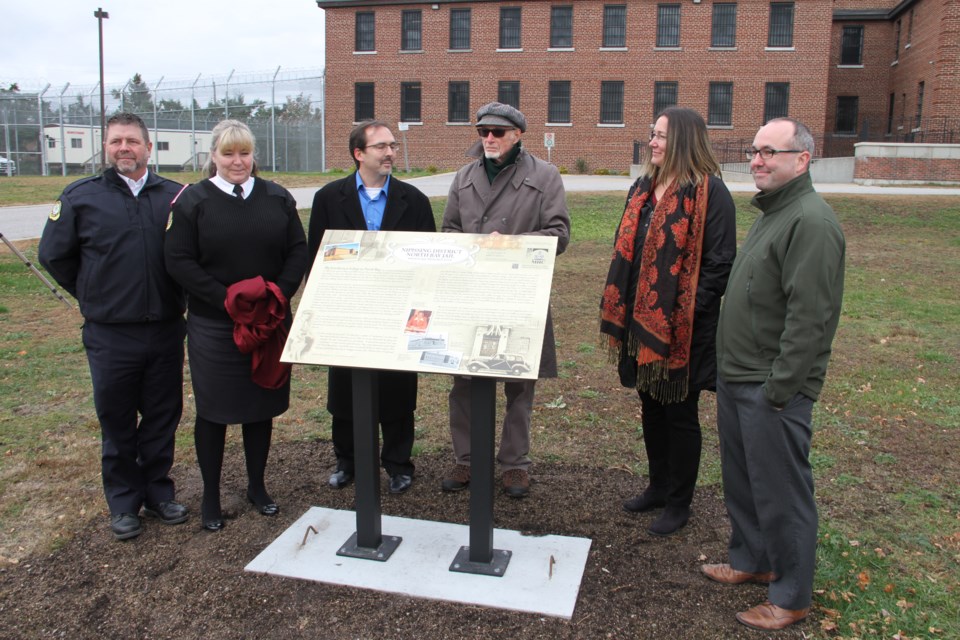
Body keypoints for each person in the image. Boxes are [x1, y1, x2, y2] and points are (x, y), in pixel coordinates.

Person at [703, 117, 845, 631]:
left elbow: (810, 319)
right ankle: (752, 559)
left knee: (782, 492)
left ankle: (790, 596)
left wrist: (780, 389)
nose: (757, 160)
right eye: (755, 151)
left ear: (802, 160)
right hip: (738, 378)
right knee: (745, 482)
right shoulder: (774, 212)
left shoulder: (811, 221)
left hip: (771, 389)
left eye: (771, 152)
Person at [38, 112, 188, 541]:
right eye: (116, 141)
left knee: (162, 416)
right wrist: (92, 293)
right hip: (109, 333)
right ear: (106, 147)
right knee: (117, 418)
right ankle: (124, 503)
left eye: (132, 141)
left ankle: (159, 493)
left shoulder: (175, 197)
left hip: (163, 328)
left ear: (147, 145)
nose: (124, 148)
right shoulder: (80, 197)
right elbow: (55, 256)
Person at [164, 119, 308, 532]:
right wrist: (227, 300)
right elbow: (179, 261)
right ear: (213, 156)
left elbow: (296, 250)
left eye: (244, 153)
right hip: (216, 326)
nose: (237, 161)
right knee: (214, 411)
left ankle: (257, 486)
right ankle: (210, 495)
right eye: (228, 154)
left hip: (268, 323)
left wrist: (276, 295)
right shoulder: (193, 202)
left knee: (259, 407)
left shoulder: (277, 198)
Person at [600, 107, 736, 536]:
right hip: (641, 328)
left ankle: (680, 502)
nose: (653, 143)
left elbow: (719, 263)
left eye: (660, 136)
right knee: (651, 406)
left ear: (682, 142)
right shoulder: (643, 188)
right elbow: (629, 250)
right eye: (652, 134)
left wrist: (682, 314)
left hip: (684, 331)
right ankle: (657, 486)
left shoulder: (711, 194)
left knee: (680, 413)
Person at [441, 102, 571, 498]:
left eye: (497, 132)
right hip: (472, 293)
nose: (489, 139)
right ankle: (466, 460)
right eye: (483, 132)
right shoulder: (463, 177)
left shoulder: (545, 176)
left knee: (519, 385)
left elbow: (559, 234)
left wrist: (512, 245)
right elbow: (448, 228)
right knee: (464, 383)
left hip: (519, 293)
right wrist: (468, 248)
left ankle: (515, 465)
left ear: (518, 134)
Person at [307, 119, 436, 494]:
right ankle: (347, 461)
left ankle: (398, 464)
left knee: (396, 391)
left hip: (398, 312)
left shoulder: (414, 201)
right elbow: (316, 257)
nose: (390, 152)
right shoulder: (330, 198)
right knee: (346, 390)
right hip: (348, 313)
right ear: (358, 153)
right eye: (381, 146)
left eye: (392, 145)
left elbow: (428, 263)